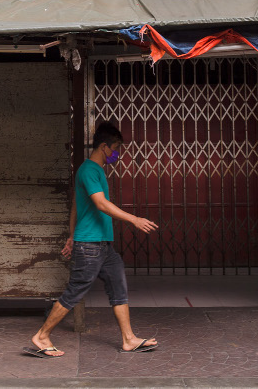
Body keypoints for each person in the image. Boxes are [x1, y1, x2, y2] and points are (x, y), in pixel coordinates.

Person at [25, 121, 159, 358]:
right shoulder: (89, 170)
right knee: (75, 291)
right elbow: (99, 204)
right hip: (90, 246)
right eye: (116, 148)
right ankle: (42, 336)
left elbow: (77, 206)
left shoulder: (95, 172)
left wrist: (71, 236)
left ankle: (128, 339)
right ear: (105, 147)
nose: (117, 154)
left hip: (102, 245)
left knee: (118, 285)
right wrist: (134, 219)